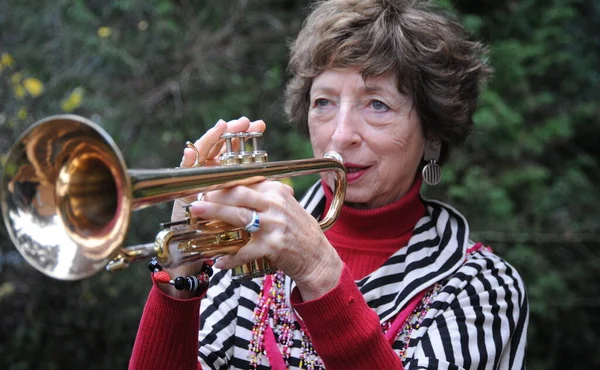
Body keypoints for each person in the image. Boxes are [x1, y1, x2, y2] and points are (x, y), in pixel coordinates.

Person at [129, 0, 529, 369]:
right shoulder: (248, 246)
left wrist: (318, 269)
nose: (340, 136)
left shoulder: (484, 288)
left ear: (433, 133)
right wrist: (179, 268)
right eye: (324, 102)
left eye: (377, 104)